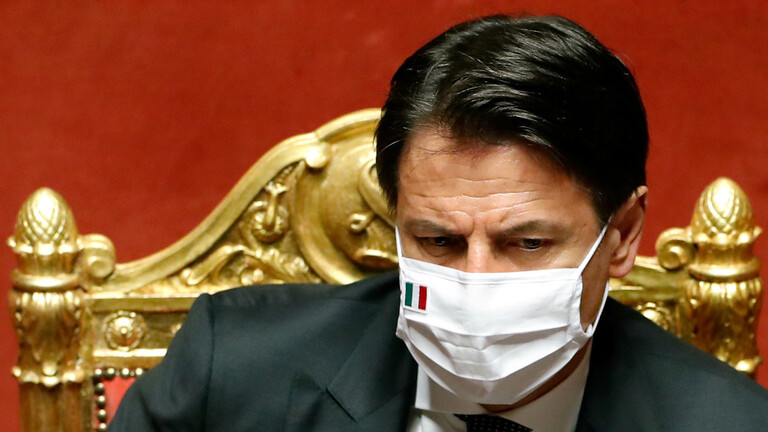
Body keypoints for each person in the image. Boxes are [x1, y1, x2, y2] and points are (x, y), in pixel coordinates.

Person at [110, 14, 768, 432]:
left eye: (527, 242)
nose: (475, 281)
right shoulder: (230, 373)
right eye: (438, 240)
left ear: (621, 235)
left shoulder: (728, 423)